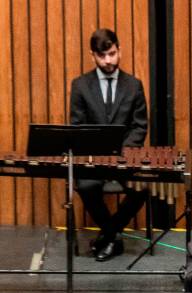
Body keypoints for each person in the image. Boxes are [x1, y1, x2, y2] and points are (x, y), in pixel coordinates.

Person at [68, 28, 149, 262]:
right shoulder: (80, 85)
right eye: (102, 56)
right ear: (92, 55)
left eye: (112, 54)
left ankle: (108, 235)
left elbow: (139, 126)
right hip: (94, 159)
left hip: (124, 158)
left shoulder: (134, 85)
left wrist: (121, 154)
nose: (108, 61)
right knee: (85, 185)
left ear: (119, 50)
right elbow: (78, 126)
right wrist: (100, 153)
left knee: (142, 187)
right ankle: (113, 237)